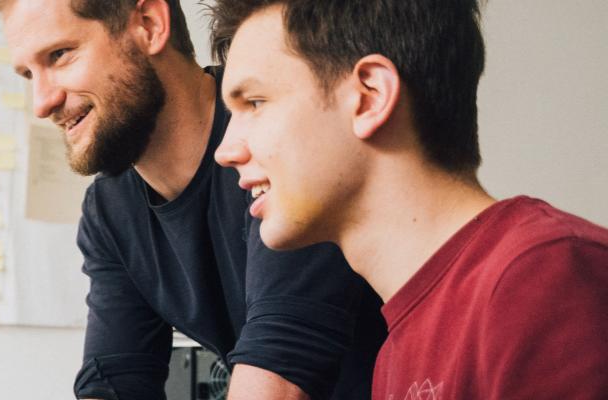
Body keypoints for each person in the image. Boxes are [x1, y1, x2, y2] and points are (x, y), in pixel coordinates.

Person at [209, 0, 608, 398]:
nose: (225, 151)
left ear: (370, 96)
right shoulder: (396, 352)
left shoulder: (545, 277)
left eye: (255, 104)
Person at [0, 0, 385, 398]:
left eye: (59, 55)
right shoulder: (110, 209)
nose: (42, 103)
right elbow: (116, 377)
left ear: (148, 24)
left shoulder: (273, 140)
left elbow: (281, 361)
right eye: (27, 74)